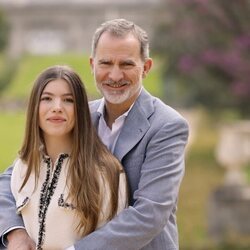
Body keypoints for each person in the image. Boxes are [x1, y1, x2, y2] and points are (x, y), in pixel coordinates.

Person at [0, 18, 189, 250]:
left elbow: (149, 215)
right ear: (92, 65)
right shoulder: (79, 115)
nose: (115, 75)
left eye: (127, 64)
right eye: (106, 63)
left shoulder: (167, 126)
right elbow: (14, 176)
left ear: (146, 67)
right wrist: (14, 232)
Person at [2, 65, 127, 249]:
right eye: (47, 99)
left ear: (81, 110)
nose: (57, 108)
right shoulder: (23, 166)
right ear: (35, 107)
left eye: (68, 100)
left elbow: (115, 242)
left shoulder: (106, 172)